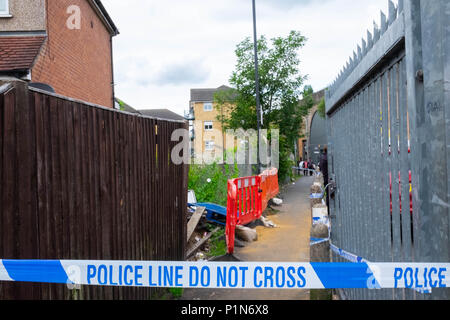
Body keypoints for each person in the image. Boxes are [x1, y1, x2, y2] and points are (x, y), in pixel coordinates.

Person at [319, 147, 329, 214]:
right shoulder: (326, 158)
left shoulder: (322, 157)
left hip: (325, 178)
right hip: (327, 178)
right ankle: (329, 211)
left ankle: (328, 210)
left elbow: (320, 167)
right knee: (329, 195)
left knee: (328, 194)